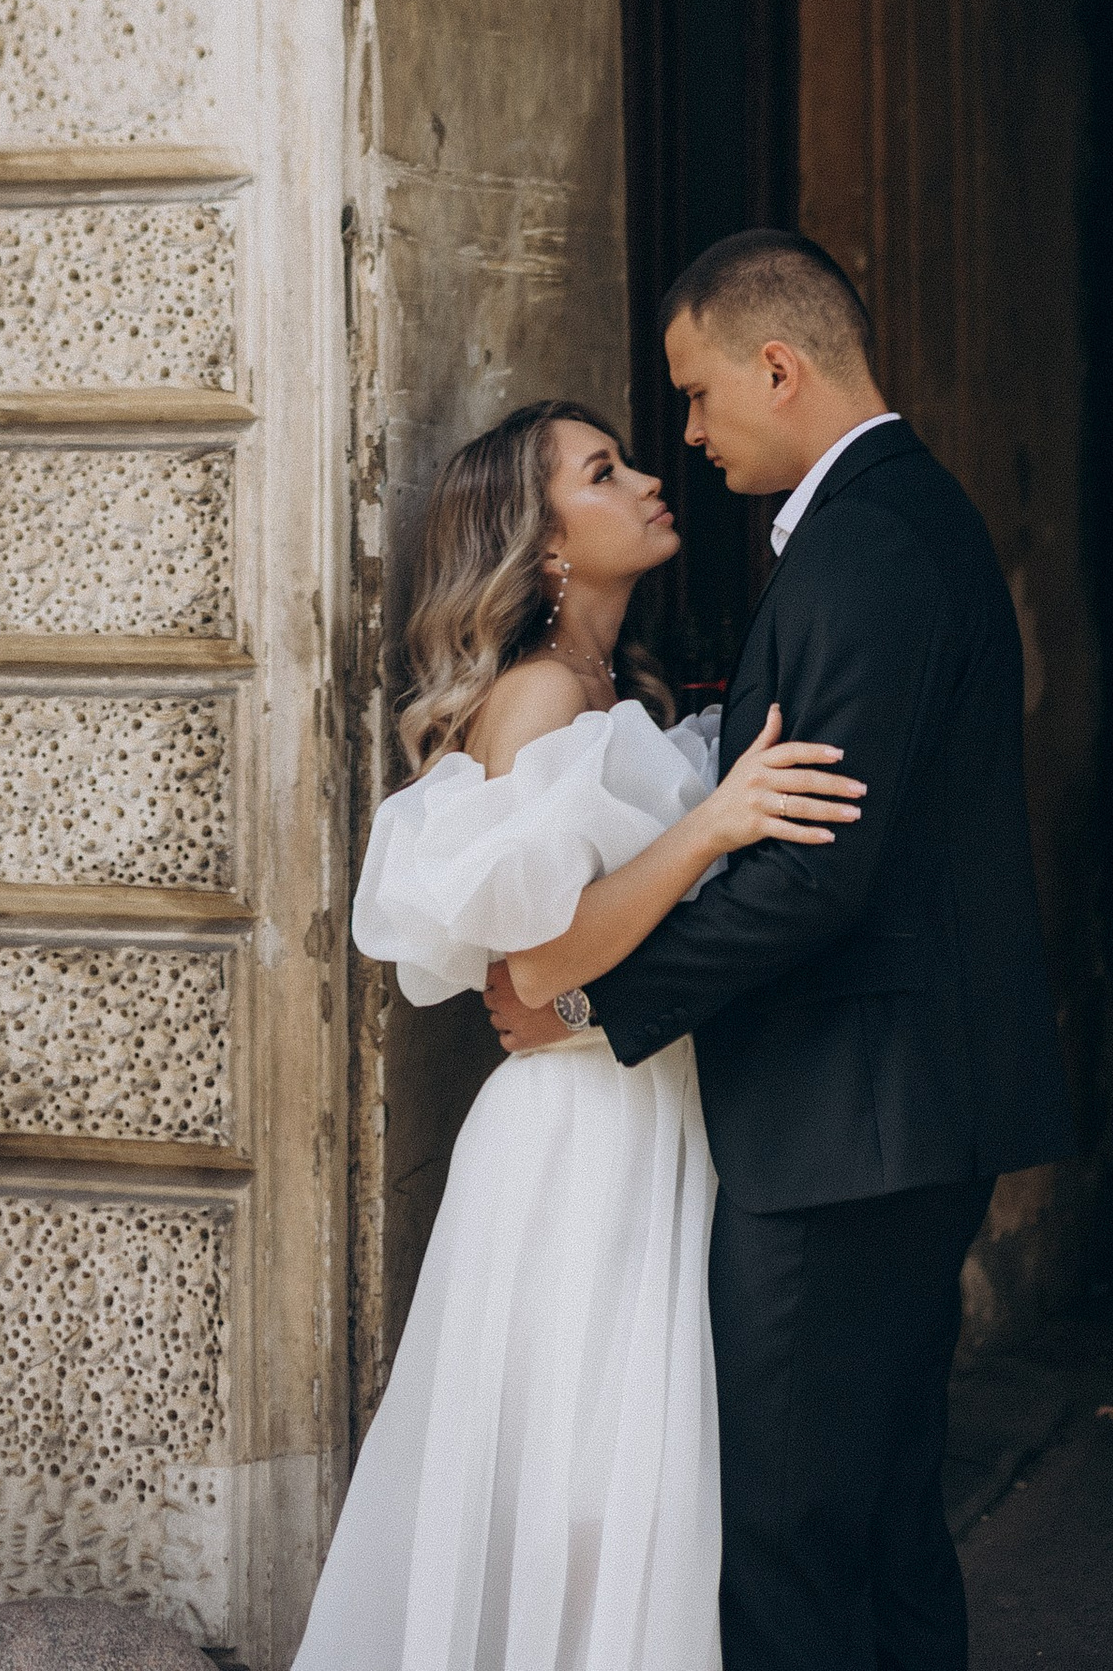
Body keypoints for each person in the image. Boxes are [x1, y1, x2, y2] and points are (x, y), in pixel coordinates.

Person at [486, 232, 1074, 1671]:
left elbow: (816, 880)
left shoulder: (868, 543)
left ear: (778, 367)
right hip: (888, 1111)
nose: (685, 434)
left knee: (793, 1548)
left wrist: (593, 998)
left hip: (849, 1123)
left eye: (694, 396)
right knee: (869, 1524)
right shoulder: (897, 522)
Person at [292, 398, 867, 1671]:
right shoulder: (541, 694)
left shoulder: (624, 685)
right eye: (605, 473)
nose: (651, 480)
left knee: (639, 1486)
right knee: (590, 1492)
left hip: (655, 1108)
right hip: (579, 1140)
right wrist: (714, 826)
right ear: (544, 548)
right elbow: (543, 960)